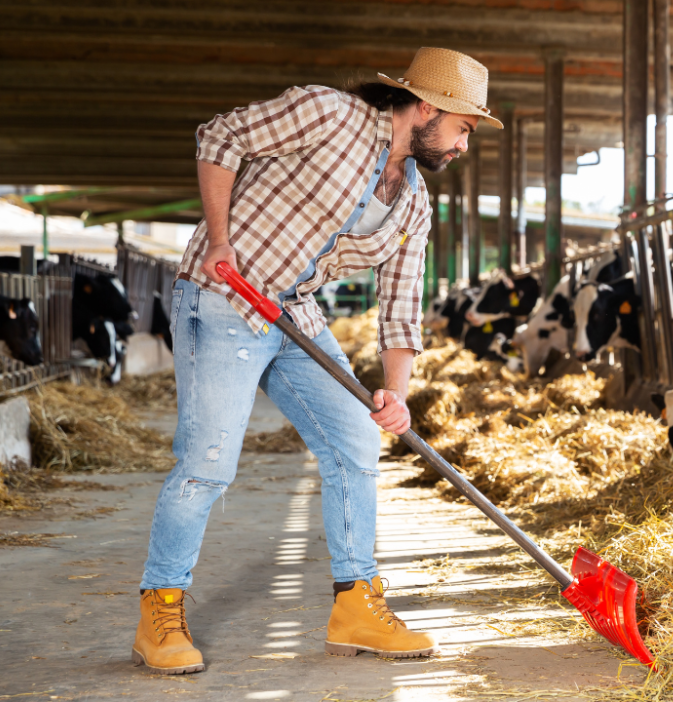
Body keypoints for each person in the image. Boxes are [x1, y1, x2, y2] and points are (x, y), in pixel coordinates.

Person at [131, 47, 504, 675]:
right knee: (208, 462)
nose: (464, 146)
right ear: (427, 108)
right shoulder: (327, 113)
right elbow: (219, 138)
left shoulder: (414, 204)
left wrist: (395, 392)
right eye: (464, 129)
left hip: (291, 313)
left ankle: (356, 606)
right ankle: (160, 609)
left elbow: (400, 306)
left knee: (356, 437)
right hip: (224, 296)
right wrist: (219, 238)